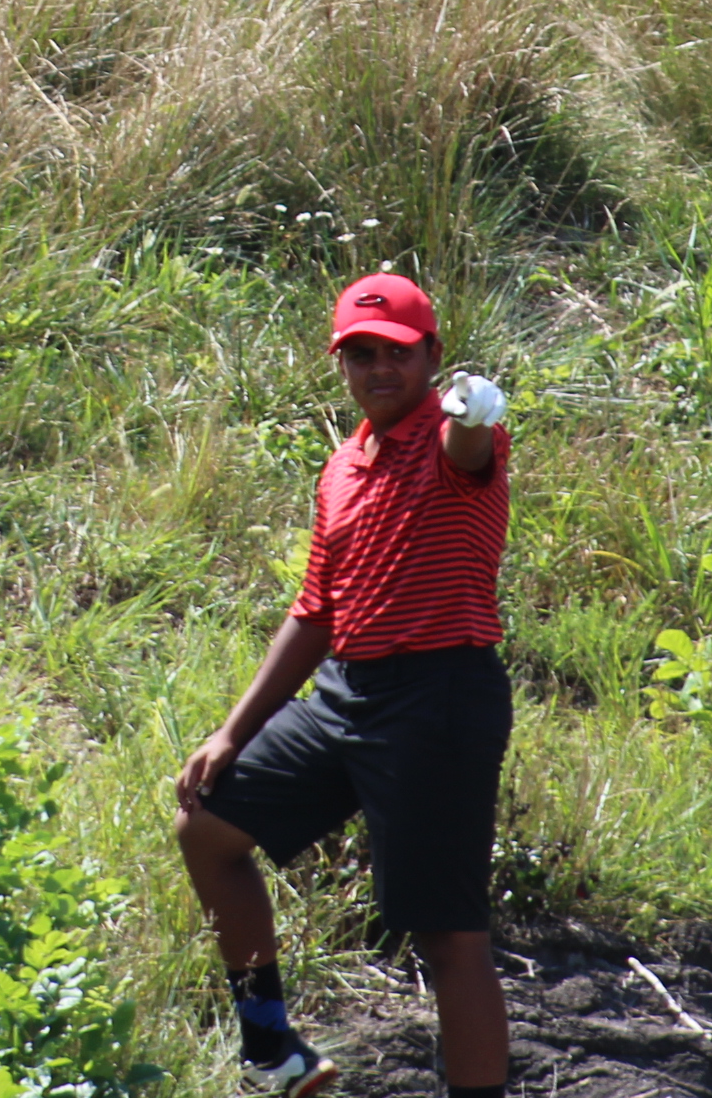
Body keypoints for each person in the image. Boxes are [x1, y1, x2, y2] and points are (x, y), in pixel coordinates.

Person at [173, 271, 515, 1098]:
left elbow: (471, 443)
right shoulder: (343, 467)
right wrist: (233, 732)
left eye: (395, 352)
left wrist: (476, 406)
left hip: (440, 699)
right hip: (345, 692)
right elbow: (316, 611)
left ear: (430, 354)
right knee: (207, 827)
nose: (377, 370)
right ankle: (271, 1051)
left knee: (448, 938)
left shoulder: (453, 439)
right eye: (359, 355)